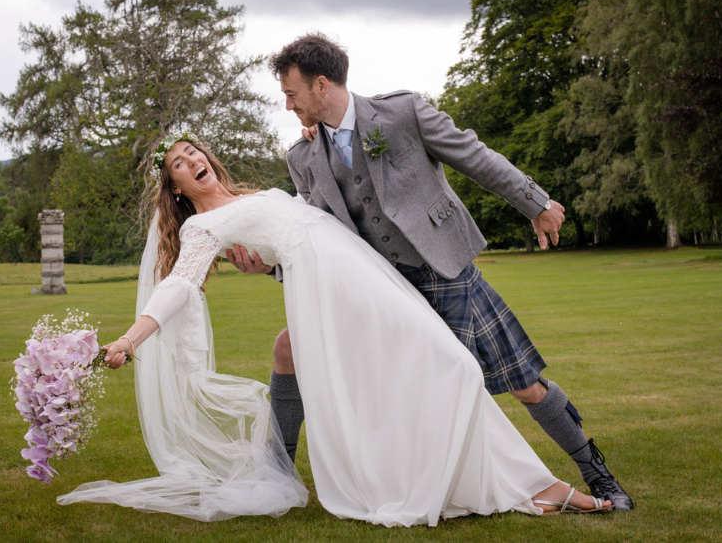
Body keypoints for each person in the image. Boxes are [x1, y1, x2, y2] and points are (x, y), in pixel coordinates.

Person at [56, 136, 611, 526]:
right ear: (174, 185)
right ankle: (533, 488)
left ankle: (515, 484)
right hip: (331, 285)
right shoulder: (202, 226)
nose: (193, 159)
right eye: (179, 162)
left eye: (194, 151)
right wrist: (130, 339)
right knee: (447, 364)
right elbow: (177, 287)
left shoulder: (250, 196)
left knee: (442, 364)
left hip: (359, 268)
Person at [226, 33, 633, 511]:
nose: (288, 105)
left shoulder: (403, 114)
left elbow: (474, 157)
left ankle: (596, 474)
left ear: (320, 85)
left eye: (291, 94)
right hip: (377, 288)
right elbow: (315, 236)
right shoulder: (302, 158)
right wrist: (271, 267)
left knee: (520, 380)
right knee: (297, 349)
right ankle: (278, 474)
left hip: (442, 268)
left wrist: (536, 203)